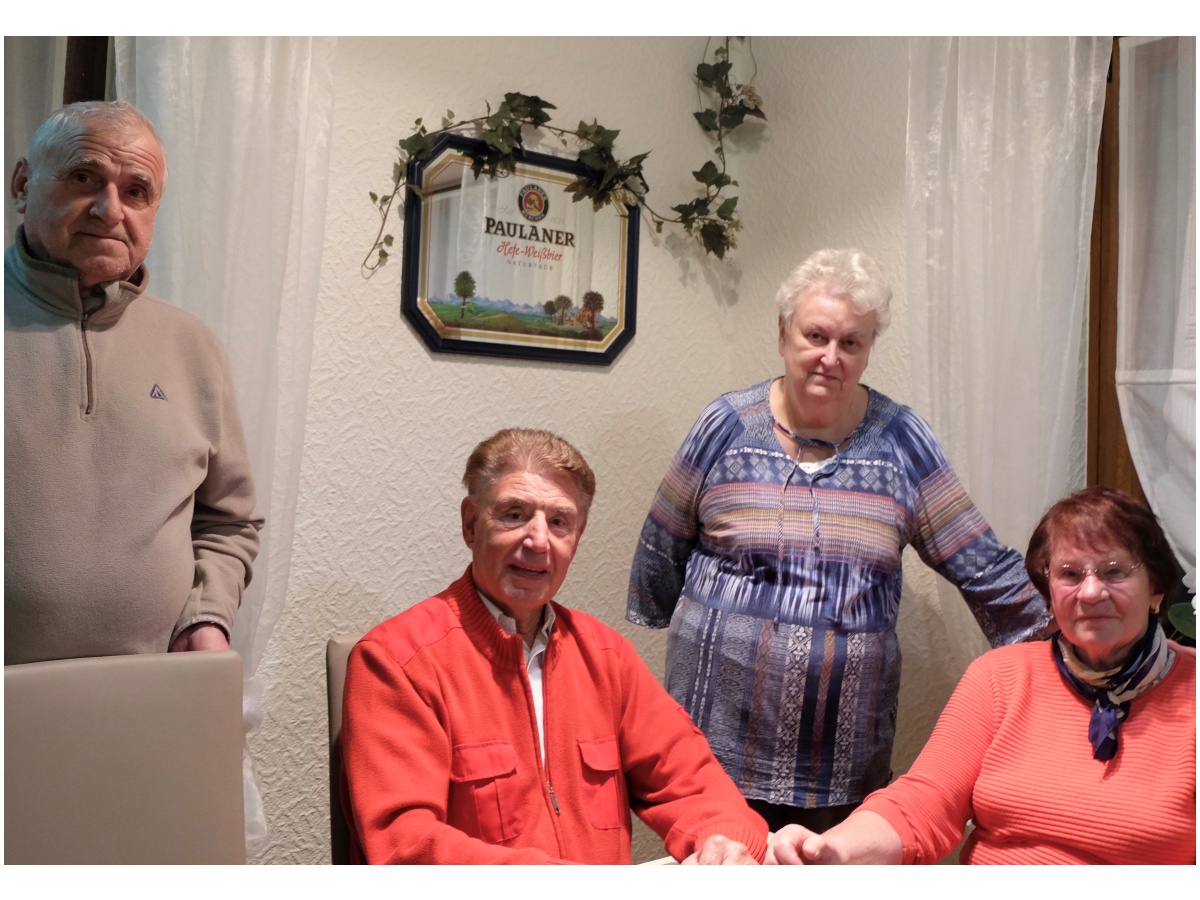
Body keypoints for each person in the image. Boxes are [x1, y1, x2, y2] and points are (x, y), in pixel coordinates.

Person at [627, 248, 1050, 834]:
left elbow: (979, 560)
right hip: (714, 735)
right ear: (783, 335)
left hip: (839, 755)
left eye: (851, 343)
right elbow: (662, 547)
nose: (831, 358)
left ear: (868, 349)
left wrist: (1080, 631)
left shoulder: (901, 438)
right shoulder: (725, 423)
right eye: (816, 335)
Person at [340, 428, 768, 864]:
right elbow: (404, 846)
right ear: (471, 523)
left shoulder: (606, 657)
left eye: (559, 521)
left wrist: (725, 841)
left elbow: (693, 780)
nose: (538, 540)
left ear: (576, 538)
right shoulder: (395, 661)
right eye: (514, 514)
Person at [768, 486, 1196, 864]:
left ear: (1156, 587)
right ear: (1049, 591)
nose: (1090, 592)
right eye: (1069, 574)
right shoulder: (1002, 677)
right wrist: (832, 851)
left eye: (1114, 572)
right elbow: (925, 802)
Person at [5, 101, 262, 664]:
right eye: (83, 177)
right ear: (22, 183)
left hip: (148, 703)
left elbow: (229, 520)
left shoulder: (194, 347)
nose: (108, 208)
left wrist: (207, 616)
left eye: (136, 191)